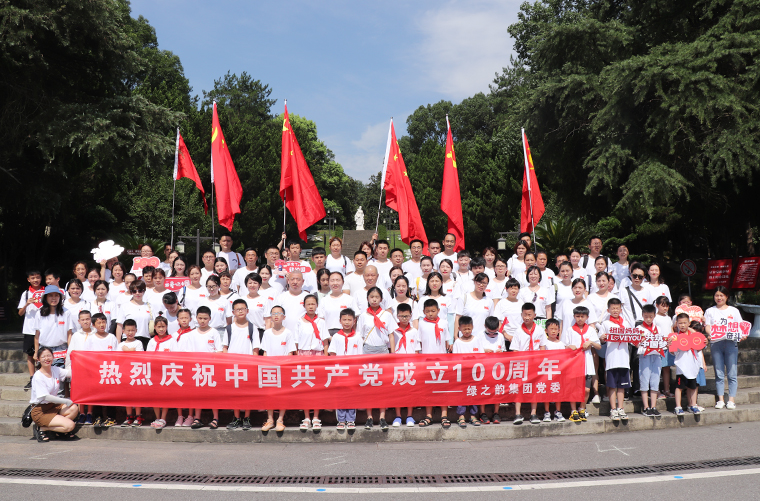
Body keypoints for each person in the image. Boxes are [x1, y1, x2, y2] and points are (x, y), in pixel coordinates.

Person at [357, 287, 397, 430]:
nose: (374, 299)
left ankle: (382, 417)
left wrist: (392, 354)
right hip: (367, 351)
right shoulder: (363, 316)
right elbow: (360, 336)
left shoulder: (387, 315)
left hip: (383, 351)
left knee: (382, 386)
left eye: (377, 297)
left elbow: (391, 335)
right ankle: (369, 417)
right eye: (371, 297)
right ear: (367, 299)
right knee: (368, 385)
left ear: (381, 299)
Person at [705, 286, 747, 409]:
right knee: (719, 372)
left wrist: (742, 335)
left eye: (721, 295)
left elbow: (741, 326)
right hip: (716, 343)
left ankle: (731, 400)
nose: (719, 298)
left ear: (727, 297)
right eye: (717, 295)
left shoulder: (734, 311)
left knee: (732, 373)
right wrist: (712, 334)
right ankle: (721, 399)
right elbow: (707, 326)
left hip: (731, 343)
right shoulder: (710, 311)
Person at [224, 299, 261, 431]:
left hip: (248, 365)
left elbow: (256, 348)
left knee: (247, 392)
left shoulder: (252, 327)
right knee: (235, 393)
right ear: (233, 312)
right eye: (237, 309)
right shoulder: (229, 328)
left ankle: (247, 417)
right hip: (233, 366)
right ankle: (236, 418)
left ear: (247, 310)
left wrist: (253, 364)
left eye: (242, 309)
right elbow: (225, 347)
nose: (240, 311)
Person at [29, 346, 78, 442]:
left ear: (53, 357)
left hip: (53, 406)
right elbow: (46, 397)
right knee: (70, 426)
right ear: (38, 359)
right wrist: (65, 400)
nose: (46, 358)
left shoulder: (55, 369)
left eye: (49, 356)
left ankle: (57, 428)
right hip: (40, 410)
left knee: (74, 408)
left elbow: (70, 373)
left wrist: (85, 368)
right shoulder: (38, 376)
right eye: (43, 357)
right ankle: (42, 428)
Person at [260, 305, 296, 432]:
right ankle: (270, 419)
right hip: (270, 369)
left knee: (282, 394)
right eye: (273, 313)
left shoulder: (288, 333)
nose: (276, 316)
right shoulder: (267, 333)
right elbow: (265, 352)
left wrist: (286, 367)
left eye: (279, 313)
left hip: (283, 369)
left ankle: (280, 420)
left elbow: (290, 352)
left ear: (284, 317)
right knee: (269, 394)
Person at [295, 295, 329, 430]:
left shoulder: (321, 321)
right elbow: (296, 342)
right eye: (308, 304)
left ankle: (315, 416)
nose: (310, 306)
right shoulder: (299, 321)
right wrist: (297, 357)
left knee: (317, 387)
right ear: (304, 306)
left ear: (317, 306)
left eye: (313, 304)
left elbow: (325, 341)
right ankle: (306, 417)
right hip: (303, 355)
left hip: (318, 355)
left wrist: (325, 358)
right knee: (305, 387)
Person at [186, 306, 222, 429]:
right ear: (196, 318)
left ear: (210, 318)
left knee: (213, 393)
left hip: (211, 368)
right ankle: (197, 418)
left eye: (205, 318)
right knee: (197, 393)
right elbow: (189, 353)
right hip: (196, 368)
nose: (202, 321)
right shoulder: (191, 334)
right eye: (200, 318)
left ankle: (215, 418)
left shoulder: (214, 332)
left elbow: (219, 351)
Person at [417, 299, 451, 429]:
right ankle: (428, 415)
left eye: (433, 311)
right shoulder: (421, 324)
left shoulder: (444, 323)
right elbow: (419, 342)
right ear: (423, 312)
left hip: (442, 361)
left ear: (438, 310)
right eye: (427, 311)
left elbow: (447, 342)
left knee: (443, 388)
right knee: (428, 389)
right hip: (427, 361)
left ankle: (444, 415)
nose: (430, 314)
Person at [510, 303, 546, 425]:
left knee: (534, 388)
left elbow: (542, 347)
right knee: (518, 387)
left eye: (530, 315)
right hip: (521, 364)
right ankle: (517, 414)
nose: (527, 317)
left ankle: (533, 413)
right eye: (525, 315)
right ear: (521, 315)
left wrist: (539, 361)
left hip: (535, 364)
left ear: (535, 315)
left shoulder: (540, 330)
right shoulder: (518, 331)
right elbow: (515, 350)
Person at [598, 298, 633, 421]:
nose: (615, 310)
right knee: (612, 386)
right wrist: (602, 337)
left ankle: (621, 408)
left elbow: (632, 338)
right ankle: (613, 409)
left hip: (624, 359)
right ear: (608, 310)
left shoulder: (626, 323)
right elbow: (601, 339)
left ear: (621, 310)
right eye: (612, 308)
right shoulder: (606, 324)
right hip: (612, 359)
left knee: (622, 386)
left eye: (617, 308)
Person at [81, 312, 119, 427]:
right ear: (93, 325)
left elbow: (117, 354)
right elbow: (86, 355)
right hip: (96, 371)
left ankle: (111, 417)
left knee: (110, 395)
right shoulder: (91, 339)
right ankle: (97, 416)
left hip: (110, 370)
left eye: (104, 322)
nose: (102, 325)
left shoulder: (111, 337)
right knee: (97, 394)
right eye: (99, 323)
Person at [563, 309, 600, 422]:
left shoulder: (591, 330)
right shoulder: (570, 330)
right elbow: (564, 346)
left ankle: (582, 408)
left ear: (587, 317)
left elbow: (599, 346)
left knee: (587, 389)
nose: (580, 319)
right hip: (574, 362)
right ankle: (573, 410)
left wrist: (591, 343)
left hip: (587, 362)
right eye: (577, 316)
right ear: (574, 316)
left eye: (582, 316)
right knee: (573, 388)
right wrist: (569, 347)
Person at [328, 308, 362, 430]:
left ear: (354, 321)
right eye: (344, 320)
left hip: (352, 371)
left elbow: (360, 355)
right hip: (340, 371)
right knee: (341, 394)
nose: (347, 322)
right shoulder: (336, 337)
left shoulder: (358, 337)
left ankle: (351, 419)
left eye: (349, 320)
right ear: (340, 321)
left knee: (352, 394)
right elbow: (332, 354)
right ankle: (341, 419)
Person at [451, 316, 485, 427]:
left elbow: (481, 356)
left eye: (469, 329)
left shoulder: (476, 340)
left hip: (474, 374)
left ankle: (473, 415)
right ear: (459, 328)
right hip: (461, 374)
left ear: (472, 327)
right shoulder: (457, 342)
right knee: (461, 394)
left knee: (473, 393)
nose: (467, 331)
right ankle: (461, 416)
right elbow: (455, 359)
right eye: (464, 329)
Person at [389, 303, 419, 427]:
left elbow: (417, 349)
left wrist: (416, 364)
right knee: (398, 391)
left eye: (407, 316)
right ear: (397, 316)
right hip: (397, 365)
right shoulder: (394, 332)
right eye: (402, 316)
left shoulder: (414, 331)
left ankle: (409, 416)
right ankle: (398, 416)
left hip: (411, 365)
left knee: (410, 391)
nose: (404, 318)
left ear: (411, 316)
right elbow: (391, 347)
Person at [145, 316, 176, 429]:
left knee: (164, 396)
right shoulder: (152, 341)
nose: (161, 329)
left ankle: (163, 418)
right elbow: (148, 356)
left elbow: (175, 356)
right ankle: (157, 417)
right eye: (159, 327)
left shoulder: (172, 340)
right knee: (155, 396)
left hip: (166, 372)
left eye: (163, 326)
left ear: (167, 327)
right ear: (155, 327)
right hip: (154, 372)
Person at [636, 304, 665, 416]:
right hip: (644, 355)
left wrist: (666, 343)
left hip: (656, 356)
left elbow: (662, 341)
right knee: (644, 379)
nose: (648, 319)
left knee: (655, 380)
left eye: (651, 317)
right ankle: (646, 407)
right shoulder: (639, 329)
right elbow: (635, 344)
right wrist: (641, 341)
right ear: (642, 315)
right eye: (646, 316)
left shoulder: (658, 328)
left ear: (654, 316)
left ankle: (653, 406)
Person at [671, 313, 702, 415]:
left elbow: (699, 347)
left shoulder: (693, 336)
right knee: (679, 386)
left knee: (692, 386)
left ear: (689, 323)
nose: (683, 325)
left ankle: (693, 405)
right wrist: (669, 345)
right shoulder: (675, 337)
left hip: (692, 364)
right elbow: (672, 352)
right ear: (677, 324)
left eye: (685, 323)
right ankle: (678, 406)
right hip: (681, 365)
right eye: (680, 323)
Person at [33, 285, 71, 367]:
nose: (54, 298)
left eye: (56, 295)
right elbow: (37, 335)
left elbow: (69, 334)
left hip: (61, 351)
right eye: (50, 295)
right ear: (45, 298)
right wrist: (36, 352)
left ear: (60, 297)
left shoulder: (66, 312)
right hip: (44, 349)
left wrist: (70, 351)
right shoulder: (39, 313)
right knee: (45, 374)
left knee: (60, 374)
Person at [18, 269, 43, 388]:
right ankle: (32, 378)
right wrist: (27, 303)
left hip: (43, 328)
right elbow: (20, 313)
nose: (35, 280)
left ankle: (42, 377)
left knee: (43, 353)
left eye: (37, 277)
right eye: (33, 278)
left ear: (41, 278)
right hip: (29, 329)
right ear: (28, 280)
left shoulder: (46, 291)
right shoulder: (26, 293)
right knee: (30, 354)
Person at [480, 316, 507, 423]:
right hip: (484, 368)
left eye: (494, 332)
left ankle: (496, 413)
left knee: (497, 389)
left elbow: (504, 351)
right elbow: (475, 351)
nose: (492, 334)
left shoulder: (500, 336)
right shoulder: (480, 336)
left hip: (497, 368)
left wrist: (501, 352)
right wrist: (484, 351)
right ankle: (482, 413)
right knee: (483, 390)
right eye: (489, 332)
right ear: (485, 326)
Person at [118, 319, 144, 427]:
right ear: (123, 331)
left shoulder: (138, 343)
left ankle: (138, 416)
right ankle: (129, 416)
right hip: (124, 372)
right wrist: (131, 351)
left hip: (136, 373)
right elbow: (118, 358)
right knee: (127, 395)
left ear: (136, 330)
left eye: (132, 330)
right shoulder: (120, 345)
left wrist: (127, 351)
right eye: (128, 330)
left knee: (137, 395)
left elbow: (139, 356)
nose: (130, 332)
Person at [116, 280, 152, 349]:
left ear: (144, 291)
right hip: (128, 340)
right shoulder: (125, 306)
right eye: (134, 291)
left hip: (145, 339)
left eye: (140, 291)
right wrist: (118, 342)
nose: (137, 293)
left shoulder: (149, 306)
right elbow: (119, 325)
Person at [543, 318, 567, 423]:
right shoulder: (544, 344)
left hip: (558, 372)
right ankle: (547, 412)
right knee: (547, 391)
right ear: (546, 330)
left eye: (555, 329)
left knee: (558, 391)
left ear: (559, 330)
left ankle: (558, 411)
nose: (553, 331)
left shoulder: (561, 344)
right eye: (551, 329)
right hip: (547, 371)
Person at [455, 272, 492, 337]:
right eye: (479, 282)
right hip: (465, 337)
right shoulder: (464, 297)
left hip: (483, 337)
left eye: (484, 283)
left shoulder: (489, 301)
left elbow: (490, 321)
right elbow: (458, 317)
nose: (481, 285)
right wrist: (456, 336)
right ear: (474, 282)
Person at [493, 278, 524, 342]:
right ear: (506, 289)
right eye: (511, 288)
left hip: (520, 337)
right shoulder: (501, 303)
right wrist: (506, 335)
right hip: (504, 338)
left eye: (516, 289)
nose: (513, 291)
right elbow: (497, 321)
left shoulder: (522, 303)